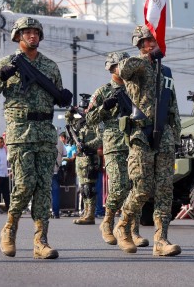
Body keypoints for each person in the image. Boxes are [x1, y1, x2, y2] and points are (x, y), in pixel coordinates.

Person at [0, 16, 72, 259]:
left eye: (35, 32)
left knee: (43, 187)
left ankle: (40, 241)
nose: (32, 36)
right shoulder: (7, 62)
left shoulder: (50, 66)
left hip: (45, 131)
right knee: (23, 185)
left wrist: (65, 97)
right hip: (20, 132)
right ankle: (9, 230)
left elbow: (58, 97)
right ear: (18, 36)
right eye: (27, 32)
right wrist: (3, 74)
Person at [115, 26, 182, 257]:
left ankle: (161, 240)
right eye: (147, 41)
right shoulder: (137, 65)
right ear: (140, 44)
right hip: (141, 135)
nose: (152, 44)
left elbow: (172, 106)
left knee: (165, 190)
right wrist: (147, 57)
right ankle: (123, 225)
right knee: (142, 189)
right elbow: (122, 70)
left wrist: (176, 137)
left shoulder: (167, 72)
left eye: (154, 41)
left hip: (164, 136)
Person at [84, 50, 148, 249]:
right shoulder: (103, 91)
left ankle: (132, 230)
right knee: (120, 186)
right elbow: (88, 118)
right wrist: (104, 107)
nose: (120, 69)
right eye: (116, 66)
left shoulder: (135, 88)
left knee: (136, 187)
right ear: (110, 68)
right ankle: (108, 222)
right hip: (114, 145)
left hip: (134, 142)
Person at [69, 94, 101, 226]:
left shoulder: (95, 122)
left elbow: (100, 138)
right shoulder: (78, 123)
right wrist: (70, 113)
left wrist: (88, 145)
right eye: (80, 110)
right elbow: (69, 127)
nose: (82, 112)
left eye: (84, 109)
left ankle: (91, 214)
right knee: (83, 188)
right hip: (80, 159)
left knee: (89, 188)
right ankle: (86, 212)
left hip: (90, 157)